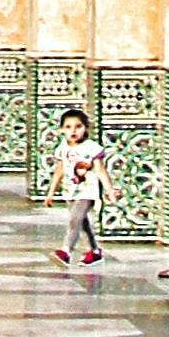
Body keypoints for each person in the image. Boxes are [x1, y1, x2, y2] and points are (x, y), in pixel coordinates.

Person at [46, 104, 112, 270]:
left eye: (78, 126)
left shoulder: (91, 148)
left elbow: (100, 170)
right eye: (68, 127)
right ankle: (94, 250)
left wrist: (109, 189)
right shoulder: (62, 148)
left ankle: (66, 250)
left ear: (86, 128)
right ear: (62, 129)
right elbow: (59, 171)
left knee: (75, 219)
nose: (73, 131)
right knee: (82, 222)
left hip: (87, 190)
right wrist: (51, 192)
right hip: (70, 190)